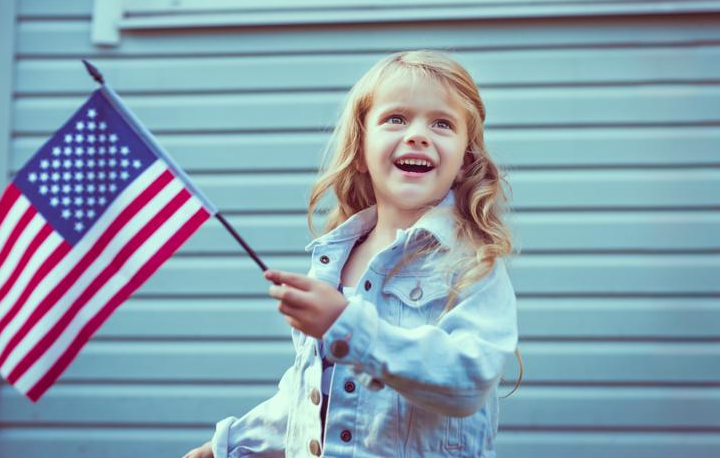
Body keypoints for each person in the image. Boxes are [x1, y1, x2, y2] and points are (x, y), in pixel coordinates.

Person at [183, 49, 523, 458]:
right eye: (396, 118)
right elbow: (306, 399)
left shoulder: (471, 263)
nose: (417, 134)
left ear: (465, 162)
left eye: (442, 123)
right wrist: (229, 446)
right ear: (361, 152)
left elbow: (467, 379)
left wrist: (348, 326)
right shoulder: (334, 260)